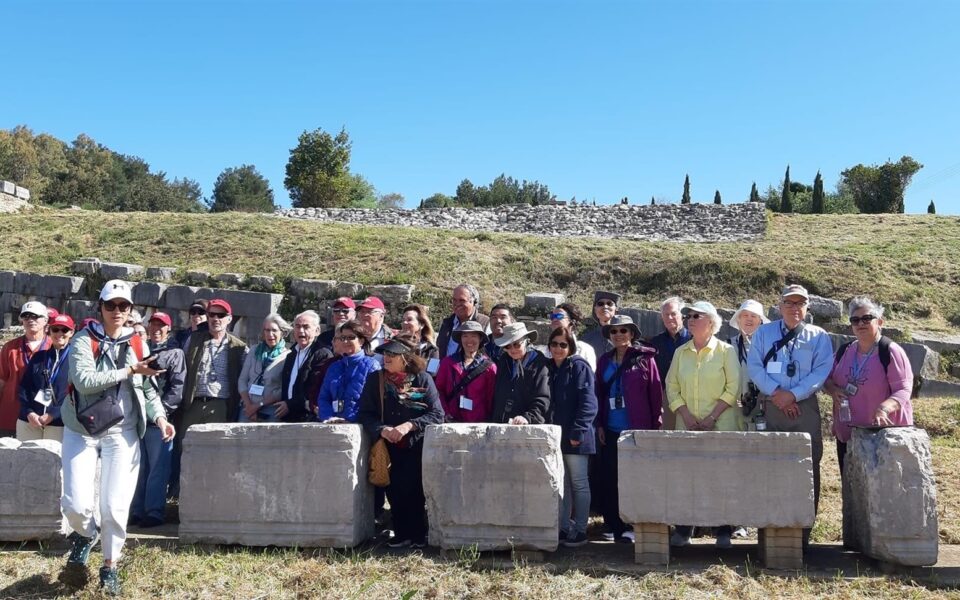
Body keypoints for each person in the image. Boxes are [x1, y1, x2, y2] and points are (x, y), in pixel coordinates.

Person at [60, 280, 174, 595]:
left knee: (114, 507)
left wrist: (161, 418)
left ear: (130, 310)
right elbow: (83, 381)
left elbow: (148, 387)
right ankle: (84, 535)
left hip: (122, 431)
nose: (117, 311)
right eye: (111, 305)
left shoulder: (138, 343)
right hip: (82, 428)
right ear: (100, 308)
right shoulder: (83, 340)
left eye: (123, 306)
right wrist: (128, 371)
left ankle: (109, 566)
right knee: (75, 504)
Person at [747, 284, 833, 548]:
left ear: (807, 307)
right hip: (771, 405)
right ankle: (769, 531)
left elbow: (821, 371)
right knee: (768, 466)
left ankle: (803, 533)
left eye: (800, 304)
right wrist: (777, 393)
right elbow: (754, 366)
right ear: (780, 306)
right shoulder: (764, 333)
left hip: (803, 406)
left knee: (807, 466)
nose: (794, 308)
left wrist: (792, 395)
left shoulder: (818, 336)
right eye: (789, 303)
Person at [665, 301, 741, 548]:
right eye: (688, 315)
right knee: (687, 477)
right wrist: (685, 414)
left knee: (720, 477)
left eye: (696, 315)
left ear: (711, 322)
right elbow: (672, 386)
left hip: (720, 425)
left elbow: (733, 388)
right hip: (686, 426)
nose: (690, 319)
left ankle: (722, 530)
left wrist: (711, 418)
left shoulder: (726, 351)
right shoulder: (680, 352)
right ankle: (685, 528)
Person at [357, 335, 444, 549]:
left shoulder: (423, 379)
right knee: (393, 490)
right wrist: (382, 430)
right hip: (388, 446)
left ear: (405, 358)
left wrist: (409, 426)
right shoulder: (375, 379)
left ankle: (417, 535)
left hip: (415, 445)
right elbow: (366, 413)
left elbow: (436, 414)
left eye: (392, 354)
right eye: (385, 353)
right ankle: (401, 533)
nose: (386, 358)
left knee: (414, 490)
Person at [824, 296, 914, 475]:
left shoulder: (890, 351)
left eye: (867, 318)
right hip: (849, 435)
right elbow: (826, 379)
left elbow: (903, 390)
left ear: (880, 321)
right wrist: (833, 390)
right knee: (851, 489)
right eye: (855, 320)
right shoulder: (844, 350)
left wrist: (884, 408)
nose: (861, 324)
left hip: (882, 436)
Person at [594, 315, 662, 543]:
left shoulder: (645, 359)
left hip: (637, 429)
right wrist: (600, 424)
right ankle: (614, 524)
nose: (619, 335)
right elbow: (599, 395)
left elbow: (655, 395)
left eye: (624, 330)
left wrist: (655, 428)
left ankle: (635, 525)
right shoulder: (604, 361)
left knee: (636, 478)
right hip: (612, 428)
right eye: (614, 331)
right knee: (611, 478)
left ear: (632, 334)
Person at [172, 299, 247, 499]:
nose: (215, 319)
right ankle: (184, 499)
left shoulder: (239, 347)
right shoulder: (194, 340)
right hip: (193, 403)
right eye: (212, 314)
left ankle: (212, 498)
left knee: (217, 453)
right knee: (186, 451)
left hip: (220, 405)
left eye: (220, 315)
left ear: (229, 319)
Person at [130, 311, 186, 528]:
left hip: (160, 419)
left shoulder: (176, 353)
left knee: (158, 469)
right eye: (153, 324)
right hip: (137, 417)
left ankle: (154, 511)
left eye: (161, 325)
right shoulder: (138, 349)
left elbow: (177, 388)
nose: (156, 329)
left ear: (168, 329)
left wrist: (161, 413)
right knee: (138, 466)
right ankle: (136, 509)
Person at [546, 327, 598, 548]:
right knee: (562, 484)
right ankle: (564, 527)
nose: (559, 348)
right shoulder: (548, 368)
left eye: (563, 344)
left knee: (579, 484)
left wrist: (577, 432)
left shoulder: (579, 367)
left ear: (571, 347)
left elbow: (589, 403)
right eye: (555, 344)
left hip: (577, 436)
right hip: (555, 436)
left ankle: (580, 530)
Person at [16, 313, 74, 442]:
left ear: (71, 332)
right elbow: (24, 387)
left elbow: (76, 394)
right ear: (49, 331)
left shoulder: (76, 360)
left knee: (55, 461)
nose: (59, 333)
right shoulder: (39, 357)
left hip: (59, 422)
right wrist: (29, 412)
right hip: (30, 421)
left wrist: (53, 414)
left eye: (64, 330)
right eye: (55, 329)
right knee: (24, 461)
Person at [0, 301, 51, 437]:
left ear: (45, 320)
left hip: (42, 416)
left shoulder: (53, 347)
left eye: (35, 316)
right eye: (26, 316)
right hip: (10, 414)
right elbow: (2, 381)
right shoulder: (10, 347)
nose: (30, 320)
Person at [317, 320, 381, 423]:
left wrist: (350, 419)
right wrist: (329, 417)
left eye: (351, 337)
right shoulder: (334, 367)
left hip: (361, 426)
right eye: (343, 338)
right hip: (332, 424)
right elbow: (324, 398)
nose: (346, 341)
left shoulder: (372, 366)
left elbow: (373, 402)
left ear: (361, 341)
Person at [435, 321, 498, 422]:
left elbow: (491, 398)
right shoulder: (447, 363)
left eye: (474, 336)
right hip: (451, 420)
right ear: (460, 339)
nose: (469, 340)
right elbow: (439, 390)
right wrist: (445, 412)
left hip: (478, 422)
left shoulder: (490, 367)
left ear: (480, 338)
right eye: (465, 336)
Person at [279, 310, 333, 422]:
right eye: (297, 327)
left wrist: (290, 404)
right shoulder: (291, 354)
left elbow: (315, 387)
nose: (301, 331)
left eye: (306, 327)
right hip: (288, 415)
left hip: (307, 416)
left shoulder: (322, 354)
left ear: (317, 330)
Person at [491, 323, 550, 424]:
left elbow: (543, 397)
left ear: (527, 341)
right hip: (502, 424)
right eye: (508, 346)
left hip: (527, 427)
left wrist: (528, 417)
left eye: (517, 344)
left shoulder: (540, 365)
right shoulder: (503, 361)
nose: (512, 350)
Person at [238, 314, 292, 423]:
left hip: (270, 410)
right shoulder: (254, 351)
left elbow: (283, 389)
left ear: (282, 332)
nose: (270, 334)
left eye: (274, 330)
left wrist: (258, 406)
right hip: (247, 408)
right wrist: (249, 407)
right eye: (267, 330)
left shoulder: (288, 356)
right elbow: (242, 381)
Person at [648, 296, 691, 431]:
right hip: (666, 397)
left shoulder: (693, 338)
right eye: (666, 315)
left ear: (682, 315)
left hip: (691, 394)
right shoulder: (656, 342)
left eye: (673, 313)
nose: (670, 318)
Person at [728, 300, 769, 431]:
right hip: (735, 404)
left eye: (754, 316)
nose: (749, 319)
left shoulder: (769, 346)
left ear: (760, 321)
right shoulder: (727, 346)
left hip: (764, 403)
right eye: (745, 315)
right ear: (738, 319)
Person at [435, 284, 490, 357]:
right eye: (454, 300)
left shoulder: (485, 323)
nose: (457, 304)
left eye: (462, 300)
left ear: (474, 302)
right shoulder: (447, 323)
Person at [545, 302, 596, 371]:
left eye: (559, 316)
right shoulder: (548, 349)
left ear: (572, 321)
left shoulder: (585, 349)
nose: (554, 319)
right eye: (552, 316)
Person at [580, 291, 621, 360]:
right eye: (600, 304)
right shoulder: (586, 339)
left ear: (616, 310)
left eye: (609, 303)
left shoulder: (625, 336)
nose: (605, 306)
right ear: (595, 310)